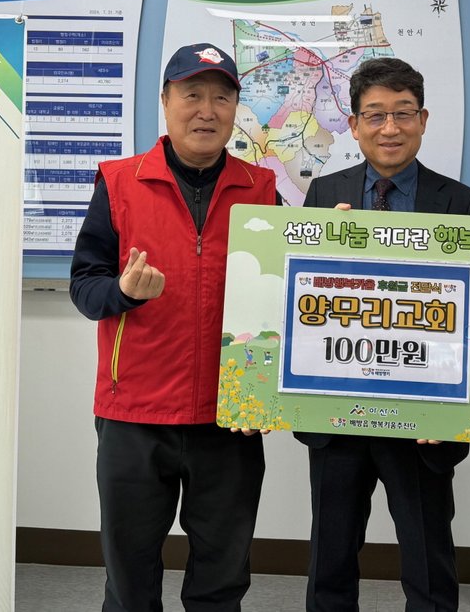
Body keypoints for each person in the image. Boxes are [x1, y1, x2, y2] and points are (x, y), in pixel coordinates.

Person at [69, 42, 277, 612]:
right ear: (165, 101)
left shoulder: (262, 190)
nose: (207, 110)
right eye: (192, 95)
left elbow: (284, 296)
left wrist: (329, 248)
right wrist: (123, 292)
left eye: (221, 98)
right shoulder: (119, 182)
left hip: (230, 416)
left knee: (222, 579)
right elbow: (85, 288)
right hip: (134, 413)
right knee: (129, 580)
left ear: (236, 109)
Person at [297, 57, 470, 612]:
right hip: (338, 413)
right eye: (375, 115)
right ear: (353, 125)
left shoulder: (462, 203)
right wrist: (326, 246)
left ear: (423, 120)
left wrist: (457, 410)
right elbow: (303, 300)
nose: (390, 128)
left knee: (428, 560)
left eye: (403, 113)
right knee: (330, 557)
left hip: (424, 419)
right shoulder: (323, 194)